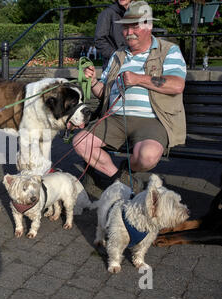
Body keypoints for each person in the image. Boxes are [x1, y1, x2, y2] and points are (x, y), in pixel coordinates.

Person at [73, 1, 187, 193]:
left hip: (152, 119)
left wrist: (139, 79)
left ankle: (128, 169)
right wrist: (92, 81)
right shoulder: (118, 55)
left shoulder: (168, 50)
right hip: (115, 118)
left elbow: (177, 85)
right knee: (80, 142)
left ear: (148, 26)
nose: (128, 32)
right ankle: (121, 180)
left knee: (147, 157)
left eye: (135, 26)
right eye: (125, 27)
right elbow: (104, 94)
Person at [95, 0, 131, 70]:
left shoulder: (138, 13)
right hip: (114, 65)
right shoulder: (107, 13)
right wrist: (117, 55)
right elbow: (99, 40)